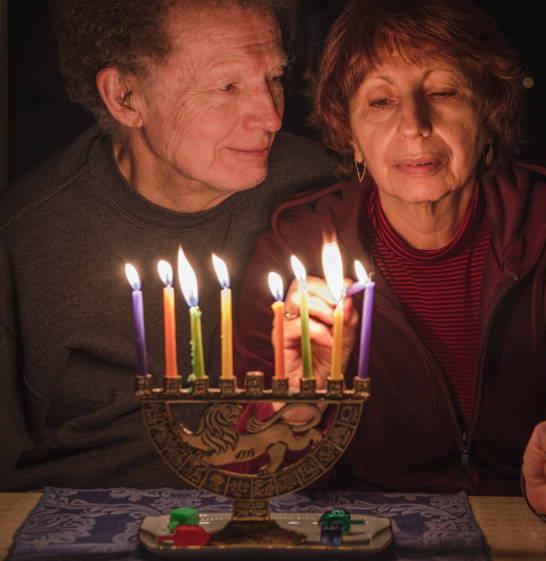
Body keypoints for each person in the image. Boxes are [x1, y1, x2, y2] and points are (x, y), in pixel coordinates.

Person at [235, 0, 546, 523]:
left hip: (524, 524)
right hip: (367, 532)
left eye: (442, 92)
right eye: (381, 101)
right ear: (350, 134)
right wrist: (299, 408)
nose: (415, 124)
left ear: (489, 112)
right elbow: (262, 482)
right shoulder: (295, 252)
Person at [0, 0, 336, 491]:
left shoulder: (328, 189)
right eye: (227, 86)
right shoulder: (24, 239)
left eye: (275, 79)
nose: (270, 117)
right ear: (126, 97)